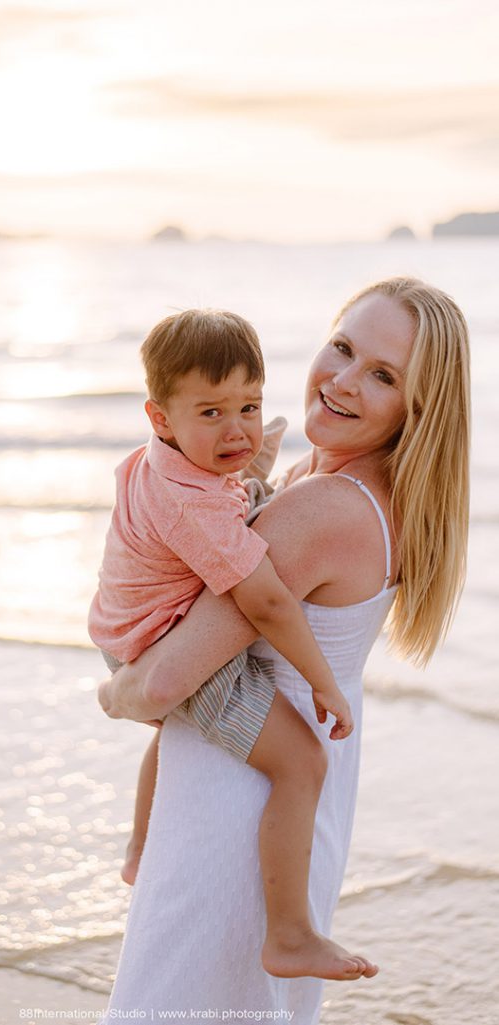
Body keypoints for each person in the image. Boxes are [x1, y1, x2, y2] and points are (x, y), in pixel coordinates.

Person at [97, 277, 470, 1021]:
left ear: (416, 410)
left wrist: (114, 691)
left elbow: (167, 679)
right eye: (343, 347)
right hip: (280, 796)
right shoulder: (327, 480)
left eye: (383, 375)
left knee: (177, 998)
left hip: (239, 801)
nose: (342, 379)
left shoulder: (321, 507)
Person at [88, 309, 369, 981]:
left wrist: (244, 468)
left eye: (250, 404)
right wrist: (323, 680)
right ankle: (291, 934)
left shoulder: (163, 463)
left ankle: (138, 847)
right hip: (168, 646)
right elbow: (267, 601)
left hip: (125, 626)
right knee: (302, 761)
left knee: (176, 730)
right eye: (211, 413)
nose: (237, 427)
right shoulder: (195, 505)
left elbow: (210, 501)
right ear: (160, 417)